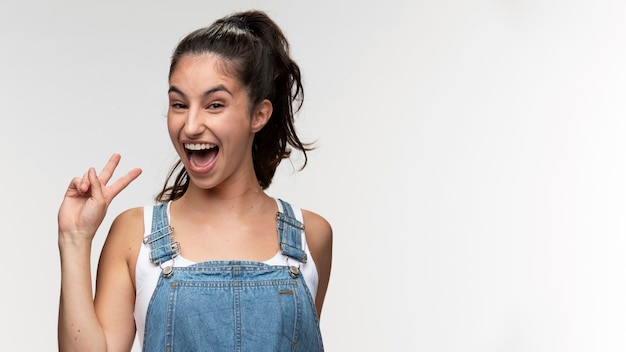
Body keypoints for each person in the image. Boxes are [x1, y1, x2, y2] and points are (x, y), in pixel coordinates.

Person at [57, 10, 332, 351]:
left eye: (214, 105)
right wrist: (74, 239)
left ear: (259, 114)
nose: (190, 126)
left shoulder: (311, 237)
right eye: (179, 104)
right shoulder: (134, 235)